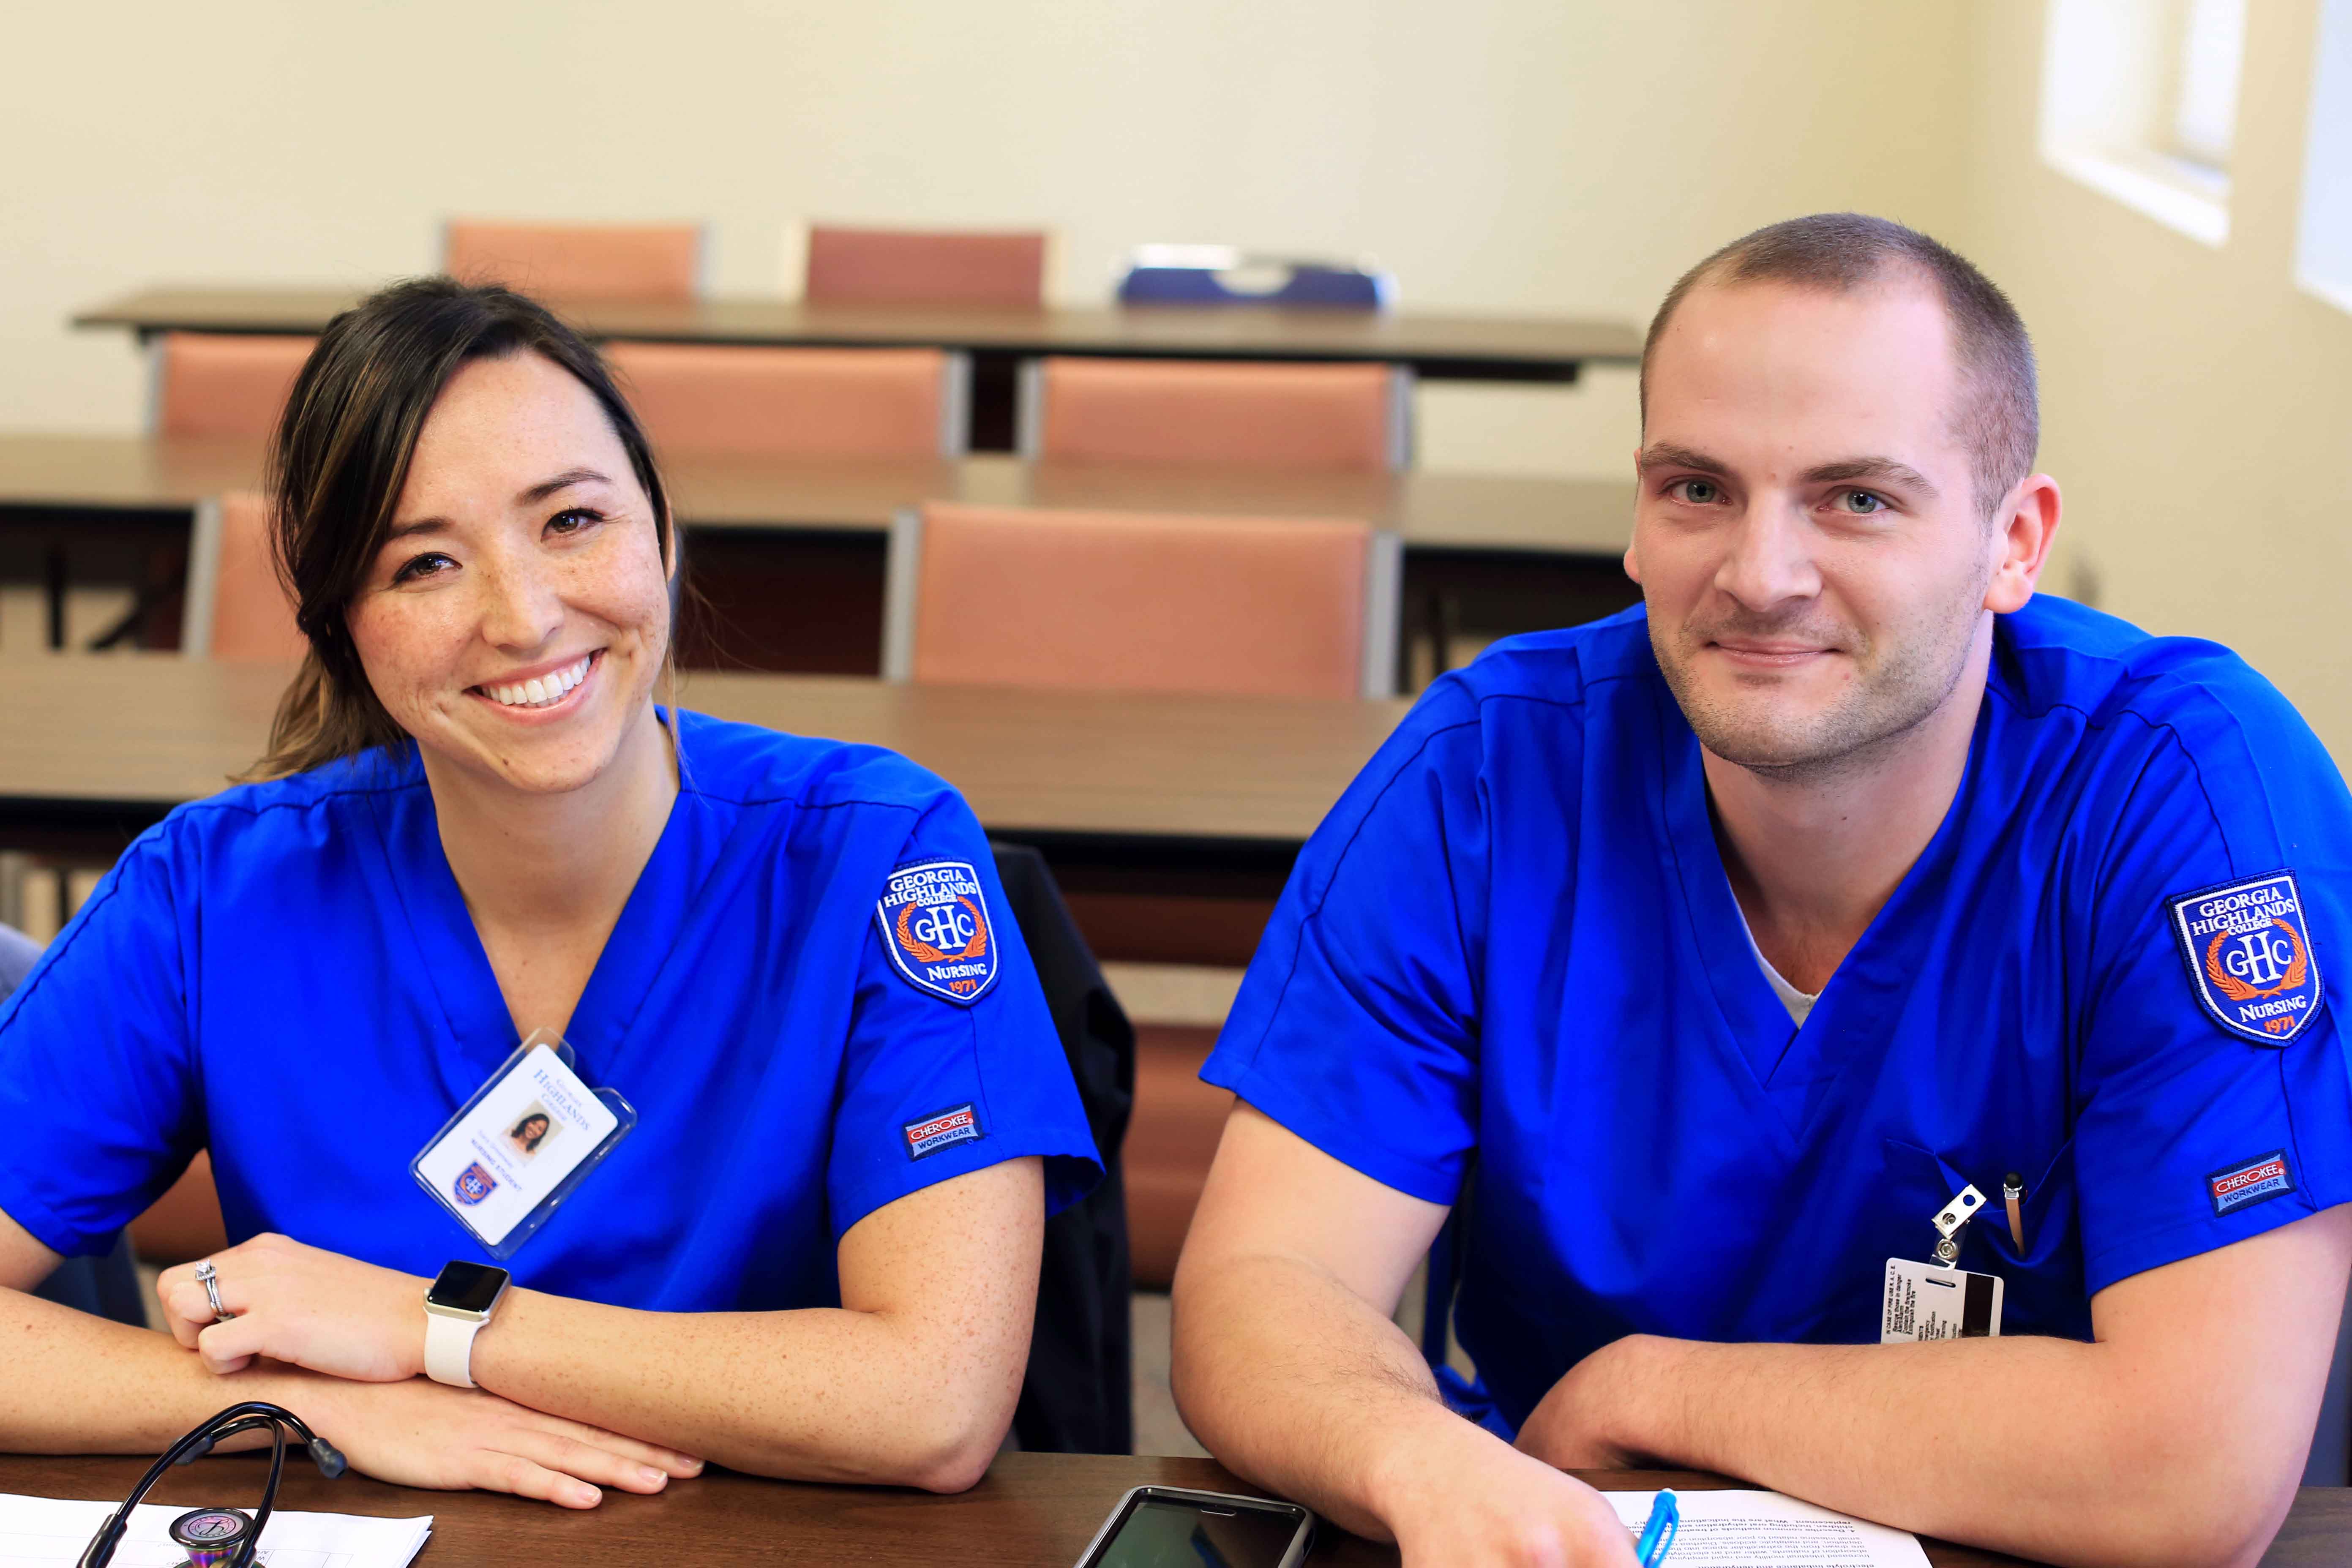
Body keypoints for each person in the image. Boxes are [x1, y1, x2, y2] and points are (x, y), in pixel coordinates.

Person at [1169, 213, 2352, 1568]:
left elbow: (2191, 1469)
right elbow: (1265, 1286)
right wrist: (1417, 1455)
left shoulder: (2181, 794)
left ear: (2014, 543)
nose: (1759, 575)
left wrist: (1651, 1388)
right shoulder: (1486, 776)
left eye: (1858, 499)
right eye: (1697, 489)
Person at [0, 279, 1098, 1505]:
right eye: (422, 564)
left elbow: (933, 1402)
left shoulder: (875, 857)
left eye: (571, 521)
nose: (522, 617)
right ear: (342, 627)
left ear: (663, 531)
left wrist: (431, 1331)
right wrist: (304, 1405)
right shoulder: (214, 895)